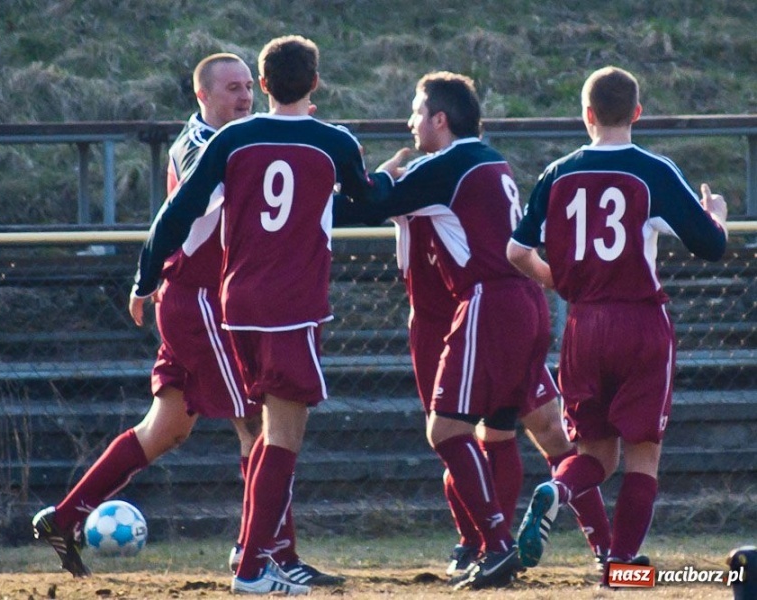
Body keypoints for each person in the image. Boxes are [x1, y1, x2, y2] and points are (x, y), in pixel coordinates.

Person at [32, 53, 336, 586]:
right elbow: (182, 213)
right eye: (232, 89)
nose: (243, 98)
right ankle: (271, 555)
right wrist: (143, 279)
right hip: (201, 302)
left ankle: (65, 517)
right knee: (256, 421)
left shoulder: (241, 141)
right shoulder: (202, 144)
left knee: (165, 428)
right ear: (203, 96)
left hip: (206, 301)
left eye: (248, 87)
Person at [129, 35, 385, 596]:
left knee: (264, 432)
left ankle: (256, 555)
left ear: (263, 85)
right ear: (314, 83)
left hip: (237, 306)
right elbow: (364, 198)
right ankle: (252, 567)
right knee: (282, 436)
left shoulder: (234, 139)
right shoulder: (333, 140)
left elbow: (176, 213)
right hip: (292, 307)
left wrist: (145, 279)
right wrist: (391, 179)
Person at [335, 71, 562, 589]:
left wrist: (379, 176)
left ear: (440, 118)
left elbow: (370, 199)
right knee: (501, 430)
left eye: (416, 112)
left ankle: (494, 542)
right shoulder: (490, 160)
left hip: (486, 302)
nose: (410, 122)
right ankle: (570, 547)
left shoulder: (447, 165)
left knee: (447, 431)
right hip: (521, 301)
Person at [508, 66, 728, 584]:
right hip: (640, 322)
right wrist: (713, 212)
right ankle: (620, 564)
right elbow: (711, 246)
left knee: (595, 455)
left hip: (584, 325)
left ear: (585, 115)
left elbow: (517, 250)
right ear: (636, 113)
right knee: (642, 455)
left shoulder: (558, 172)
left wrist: (557, 280)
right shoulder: (652, 170)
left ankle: (557, 492)